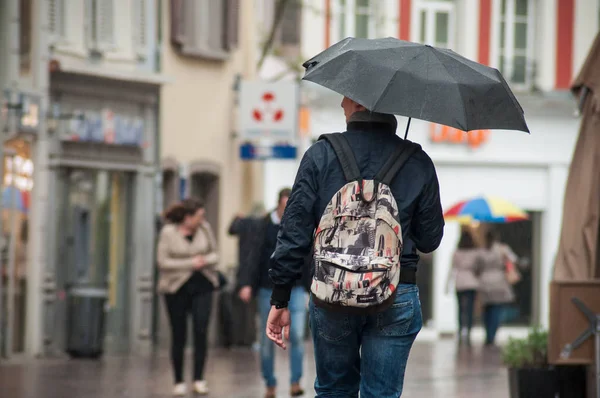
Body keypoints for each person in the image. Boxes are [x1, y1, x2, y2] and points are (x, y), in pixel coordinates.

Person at [265, 98, 445, 397]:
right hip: (396, 292)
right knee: (382, 393)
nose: (340, 103)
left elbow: (293, 232)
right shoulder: (417, 160)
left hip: (332, 291)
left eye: (346, 97)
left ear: (360, 103)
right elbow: (430, 240)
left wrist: (280, 297)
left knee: (334, 390)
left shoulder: (320, 155)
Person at [236, 188, 310, 398]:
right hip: (266, 288)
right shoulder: (263, 225)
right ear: (278, 204)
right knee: (267, 337)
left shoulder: (298, 224)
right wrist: (246, 284)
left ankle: (295, 381)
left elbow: (306, 256)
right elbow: (252, 256)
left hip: (294, 288)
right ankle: (270, 382)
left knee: (295, 334)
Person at [156, 198, 220, 396]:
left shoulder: (205, 229)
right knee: (179, 334)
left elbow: (215, 254)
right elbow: (162, 261)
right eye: (199, 216)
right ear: (187, 218)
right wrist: (190, 263)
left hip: (203, 286)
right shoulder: (168, 232)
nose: (202, 219)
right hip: (176, 289)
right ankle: (178, 381)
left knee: (201, 332)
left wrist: (204, 261)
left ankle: (199, 379)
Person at [478, 229, 518, 346]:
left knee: (486, 309)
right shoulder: (502, 249)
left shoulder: (481, 251)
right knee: (497, 309)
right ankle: (492, 335)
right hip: (499, 281)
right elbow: (514, 259)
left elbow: (477, 267)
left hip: (484, 282)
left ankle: (487, 334)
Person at [446, 229, 482, 346]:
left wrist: (447, 284)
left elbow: (452, 269)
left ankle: (461, 330)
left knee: (460, 308)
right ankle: (469, 331)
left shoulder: (456, 252)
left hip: (460, 282)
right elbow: (478, 268)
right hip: (472, 282)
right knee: (470, 309)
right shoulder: (475, 253)